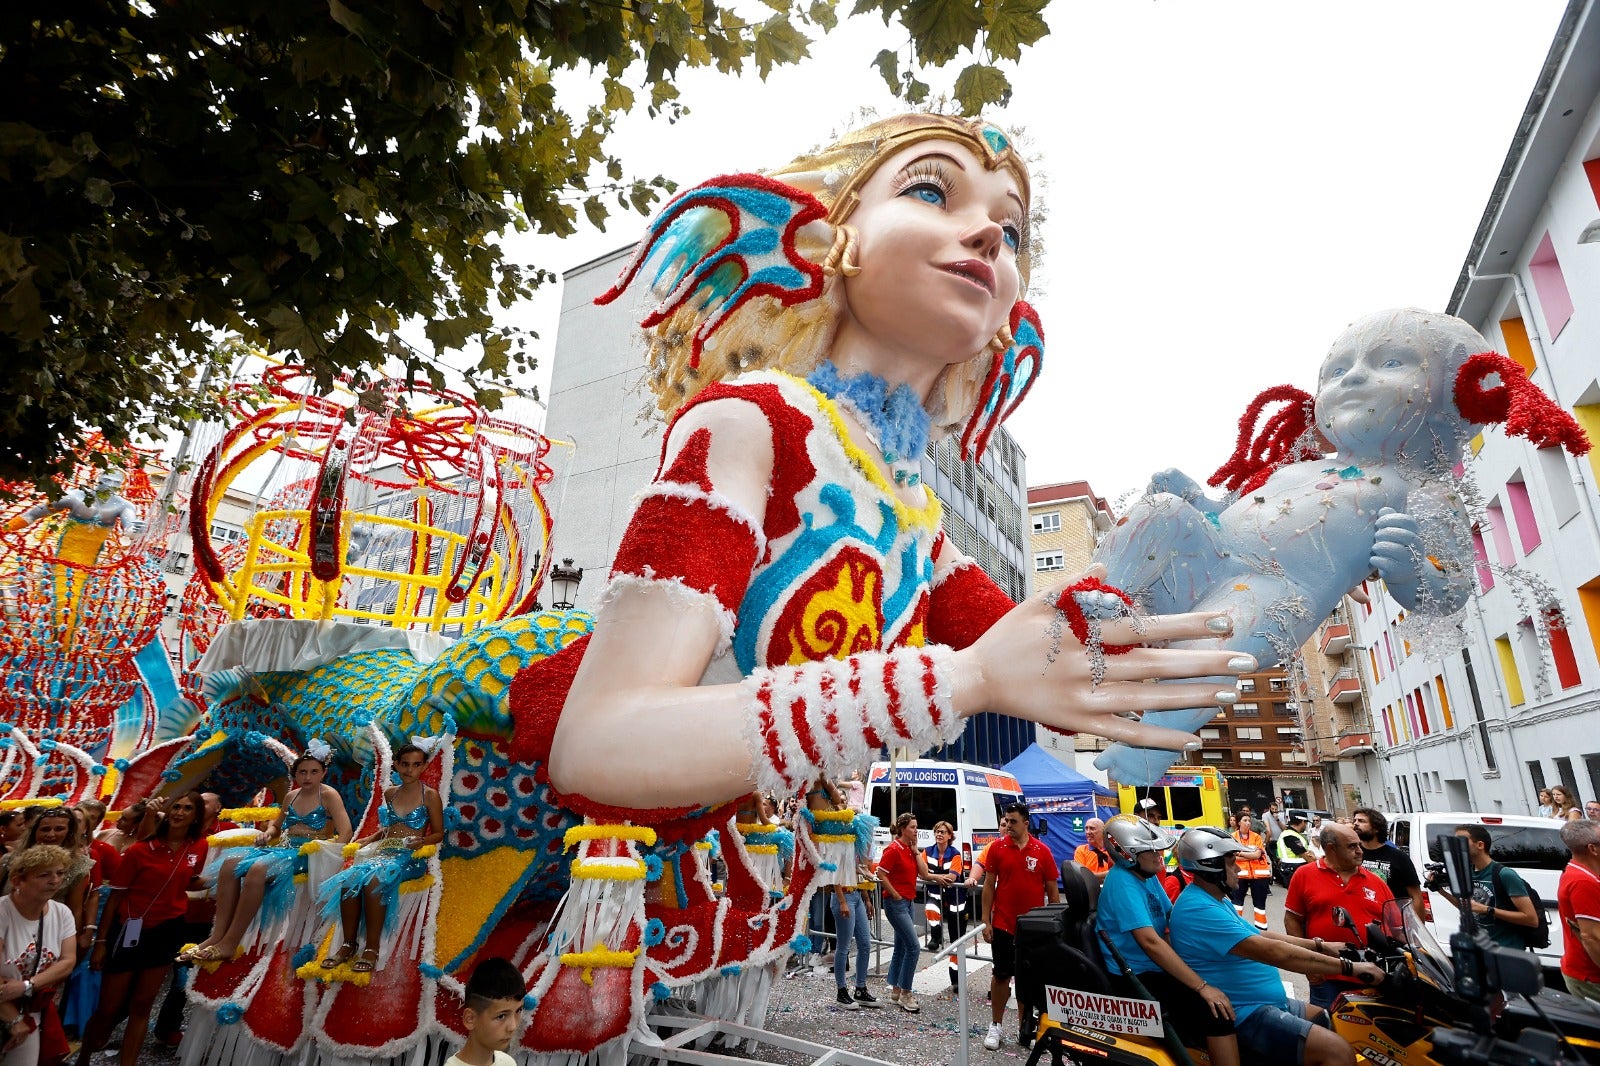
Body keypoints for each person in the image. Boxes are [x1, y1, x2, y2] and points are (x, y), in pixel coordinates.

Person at [1093, 309, 1589, 786]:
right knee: (1160, 512)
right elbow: (1227, 513)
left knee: (1216, 645)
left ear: (1453, 395)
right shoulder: (1298, 468)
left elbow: (1451, 586)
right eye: (1337, 370)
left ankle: (1149, 742)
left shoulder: (1421, 487)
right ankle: (1105, 597)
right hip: (1208, 557)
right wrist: (1195, 500)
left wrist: (1410, 569)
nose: (1352, 378)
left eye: (1390, 362)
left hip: (1272, 590)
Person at [1170, 828, 1383, 1065]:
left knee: (1334, 1018)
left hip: (1263, 1003)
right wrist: (1349, 967)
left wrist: (1321, 946)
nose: (1239, 869)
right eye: (1232, 864)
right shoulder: (1199, 909)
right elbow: (1273, 952)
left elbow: (1264, 936)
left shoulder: (1216, 899)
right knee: (1337, 1051)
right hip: (1245, 1012)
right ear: (1211, 866)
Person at [182, 745, 353, 963]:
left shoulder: (329, 795)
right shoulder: (291, 796)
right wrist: (267, 834)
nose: (307, 777)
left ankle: (230, 942)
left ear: (323, 773)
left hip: (309, 853)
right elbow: (277, 827)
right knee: (229, 863)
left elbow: (346, 831)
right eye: (302, 772)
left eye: (313, 772)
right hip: (283, 848)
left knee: (258, 869)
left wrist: (329, 856)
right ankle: (216, 935)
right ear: (295, 774)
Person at [77, 791, 208, 1066]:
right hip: (128, 929)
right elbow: (115, 897)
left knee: (142, 1005)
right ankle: (84, 1057)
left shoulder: (198, 846)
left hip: (168, 930)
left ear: (196, 816)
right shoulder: (141, 849)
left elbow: (186, 881)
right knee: (108, 1008)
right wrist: (101, 943)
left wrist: (219, 880)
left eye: (186, 808)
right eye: (176, 806)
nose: (179, 812)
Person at [1096, 815, 1239, 1066]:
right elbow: (1150, 942)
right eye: (1150, 850)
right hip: (1137, 975)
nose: (1159, 854)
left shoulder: (1148, 876)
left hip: (1152, 967)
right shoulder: (1122, 883)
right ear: (1127, 853)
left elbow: (1170, 916)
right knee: (1216, 1013)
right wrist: (1202, 987)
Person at [315, 741, 444, 975]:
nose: (409, 770)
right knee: (350, 879)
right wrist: (371, 838)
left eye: (416, 765)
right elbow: (390, 828)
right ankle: (348, 944)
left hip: (410, 857)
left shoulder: (431, 796)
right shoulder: (391, 793)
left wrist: (422, 842)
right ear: (396, 764)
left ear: (424, 767)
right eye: (404, 764)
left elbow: (438, 833)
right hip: (385, 852)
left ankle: (372, 947)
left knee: (374, 880)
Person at [1283, 823, 1394, 1010]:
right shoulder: (1304, 875)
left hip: (1371, 976)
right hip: (1326, 977)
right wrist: (1308, 965)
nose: (1360, 851)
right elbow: (1292, 919)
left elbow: (1394, 925)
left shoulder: (1376, 882)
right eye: (1352, 846)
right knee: (1328, 1031)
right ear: (1331, 849)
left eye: (1359, 845)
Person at [981, 802, 1059, 1051]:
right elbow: (988, 885)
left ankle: (1026, 1028)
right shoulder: (996, 848)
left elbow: (1052, 891)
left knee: (1028, 981)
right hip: (1003, 923)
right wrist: (986, 921)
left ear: (1026, 823)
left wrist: (1054, 924)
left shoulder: (1043, 851)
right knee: (1001, 975)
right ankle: (996, 1025)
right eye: (1006, 820)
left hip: (1033, 928)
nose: (1008, 826)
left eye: (1013, 821)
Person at [0, 846, 78, 1066]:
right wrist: (12, 1018)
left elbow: (67, 961)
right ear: (18, 881)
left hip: (29, 1008)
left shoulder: (61, 913)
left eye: (60, 873)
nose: (55, 880)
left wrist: (27, 985)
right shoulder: (3, 913)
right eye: (44, 874)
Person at [876, 813, 948, 1012]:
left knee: (902, 946)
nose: (916, 830)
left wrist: (917, 853)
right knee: (913, 947)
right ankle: (906, 992)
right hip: (896, 903)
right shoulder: (894, 849)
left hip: (906, 902)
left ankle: (897, 990)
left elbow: (924, 873)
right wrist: (895, 894)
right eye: (913, 827)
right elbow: (881, 873)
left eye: (916, 827)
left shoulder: (909, 849)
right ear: (902, 829)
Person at [1432, 824, 1538, 950]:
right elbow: (1469, 906)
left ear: (1480, 845)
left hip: (1508, 951)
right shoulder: (1469, 873)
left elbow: (1531, 919)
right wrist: (1441, 890)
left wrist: (1488, 910)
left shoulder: (1505, 874)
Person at [446, 956, 526, 1066]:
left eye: (518, 1011)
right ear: (470, 1019)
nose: (513, 1026)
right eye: (501, 1016)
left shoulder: (508, 1062)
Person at [1557, 819, 1600, 1001]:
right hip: (1591, 976)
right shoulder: (1582, 882)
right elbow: (1591, 937)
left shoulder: (1580, 871)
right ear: (1593, 849)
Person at [1351, 808, 1423, 912]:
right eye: (1355, 820)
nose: (1356, 824)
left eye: (1361, 821)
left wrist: (1417, 926)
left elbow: (1416, 896)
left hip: (1393, 920)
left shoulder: (1399, 857)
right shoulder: (1350, 854)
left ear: (1376, 828)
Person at [924, 821, 966, 965]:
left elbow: (952, 877)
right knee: (930, 909)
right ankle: (936, 936)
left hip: (955, 898)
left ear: (949, 836)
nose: (939, 834)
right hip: (936, 895)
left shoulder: (955, 854)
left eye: (943, 832)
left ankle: (955, 979)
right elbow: (922, 873)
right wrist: (937, 877)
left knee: (956, 940)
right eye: (937, 831)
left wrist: (932, 876)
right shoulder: (928, 851)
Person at [1229, 814, 1271, 931]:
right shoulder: (1232, 837)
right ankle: (1236, 930)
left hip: (1259, 876)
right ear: (1239, 823)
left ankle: (1261, 931)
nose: (1248, 823)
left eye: (1249, 821)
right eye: (1245, 820)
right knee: (1237, 904)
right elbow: (1232, 857)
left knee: (1260, 907)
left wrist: (1241, 854)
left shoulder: (1256, 837)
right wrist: (1250, 855)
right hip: (1240, 875)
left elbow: (1257, 854)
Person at [1072, 819, 1113, 883]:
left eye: (1092, 828)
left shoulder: (1112, 849)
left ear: (1103, 831)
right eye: (1086, 828)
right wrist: (1109, 873)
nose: (1088, 832)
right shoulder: (1081, 850)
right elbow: (1081, 874)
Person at [1276, 813, 1311, 886]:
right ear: (1302, 822)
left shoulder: (1292, 834)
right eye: (1306, 823)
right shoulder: (1290, 835)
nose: (1306, 826)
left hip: (1292, 869)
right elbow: (1302, 853)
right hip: (1294, 869)